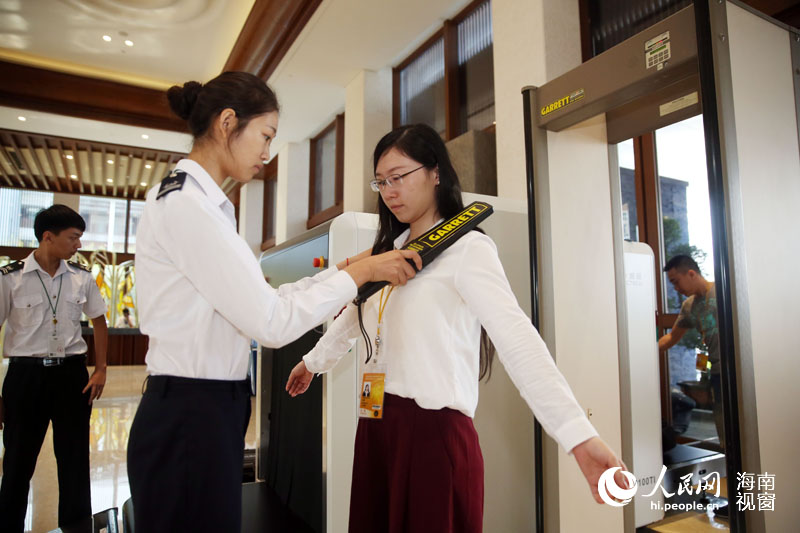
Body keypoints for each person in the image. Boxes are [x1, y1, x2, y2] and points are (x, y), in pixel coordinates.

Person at [286, 124, 628, 532]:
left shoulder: (468, 250)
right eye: (381, 182)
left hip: (433, 434)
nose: (389, 191)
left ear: (436, 173)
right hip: (377, 427)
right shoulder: (390, 251)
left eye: (399, 177)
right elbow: (357, 314)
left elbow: (517, 339)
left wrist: (577, 435)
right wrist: (313, 362)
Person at [127, 71, 422, 533]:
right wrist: (362, 273)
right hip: (190, 415)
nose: (267, 152)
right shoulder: (189, 207)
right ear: (228, 123)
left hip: (204, 410)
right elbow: (272, 321)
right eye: (264, 136)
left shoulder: (204, 205)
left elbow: (267, 299)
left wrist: (348, 269)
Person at [0, 205, 108, 532]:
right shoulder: (10, 278)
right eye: (73, 237)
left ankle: (76, 527)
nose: (79, 245)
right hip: (25, 377)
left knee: (74, 461)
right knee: (18, 462)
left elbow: (99, 322)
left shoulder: (81, 277)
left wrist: (101, 369)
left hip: (71, 376)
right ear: (48, 236)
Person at [658, 255, 723, 448]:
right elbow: (671, 337)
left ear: (691, 273)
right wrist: (645, 351)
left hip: (740, 369)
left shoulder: (723, 291)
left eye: (676, 282)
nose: (676, 288)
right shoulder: (689, 306)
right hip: (717, 374)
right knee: (724, 427)